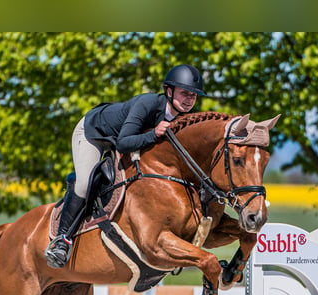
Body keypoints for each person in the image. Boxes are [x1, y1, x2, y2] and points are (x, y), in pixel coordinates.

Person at [44, 64, 206, 268]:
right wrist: (153, 134)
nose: (190, 99)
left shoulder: (185, 118)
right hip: (93, 133)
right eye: (185, 93)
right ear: (168, 90)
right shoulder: (147, 104)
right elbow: (123, 142)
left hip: (121, 139)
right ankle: (62, 240)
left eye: (193, 95)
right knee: (85, 183)